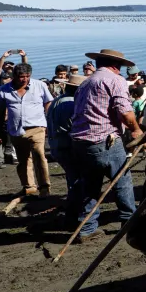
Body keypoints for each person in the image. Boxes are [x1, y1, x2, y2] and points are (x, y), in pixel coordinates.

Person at [69, 49, 144, 241]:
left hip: (80, 141)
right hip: (104, 139)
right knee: (122, 181)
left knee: (90, 185)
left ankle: (87, 228)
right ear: (115, 66)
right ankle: (129, 221)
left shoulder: (85, 82)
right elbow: (125, 112)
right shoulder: (115, 80)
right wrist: (136, 129)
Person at [0, 62, 54, 197]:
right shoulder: (4, 89)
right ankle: (29, 187)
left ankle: (44, 187)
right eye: (21, 76)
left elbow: (48, 103)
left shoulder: (40, 85)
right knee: (23, 160)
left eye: (27, 76)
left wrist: (50, 123)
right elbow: (0, 112)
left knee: (39, 156)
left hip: (37, 127)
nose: (25, 79)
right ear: (14, 76)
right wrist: (0, 132)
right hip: (15, 129)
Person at [46, 74, 85, 225]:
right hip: (67, 146)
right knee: (77, 182)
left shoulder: (58, 100)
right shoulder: (71, 104)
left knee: (73, 180)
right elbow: (73, 127)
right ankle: (74, 216)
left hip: (56, 145)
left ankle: (72, 214)